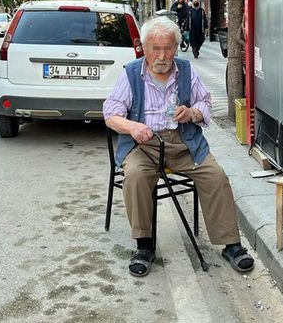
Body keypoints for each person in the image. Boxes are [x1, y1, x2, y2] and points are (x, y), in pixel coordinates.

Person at [103, 16, 254, 277]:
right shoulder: (130, 74)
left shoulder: (186, 71)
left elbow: (205, 102)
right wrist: (133, 127)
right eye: (155, 49)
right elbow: (110, 114)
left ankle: (231, 245)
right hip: (145, 146)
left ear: (176, 47)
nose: (161, 56)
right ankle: (144, 246)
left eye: (168, 48)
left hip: (183, 142)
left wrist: (193, 113)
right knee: (136, 176)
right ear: (145, 47)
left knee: (215, 176)